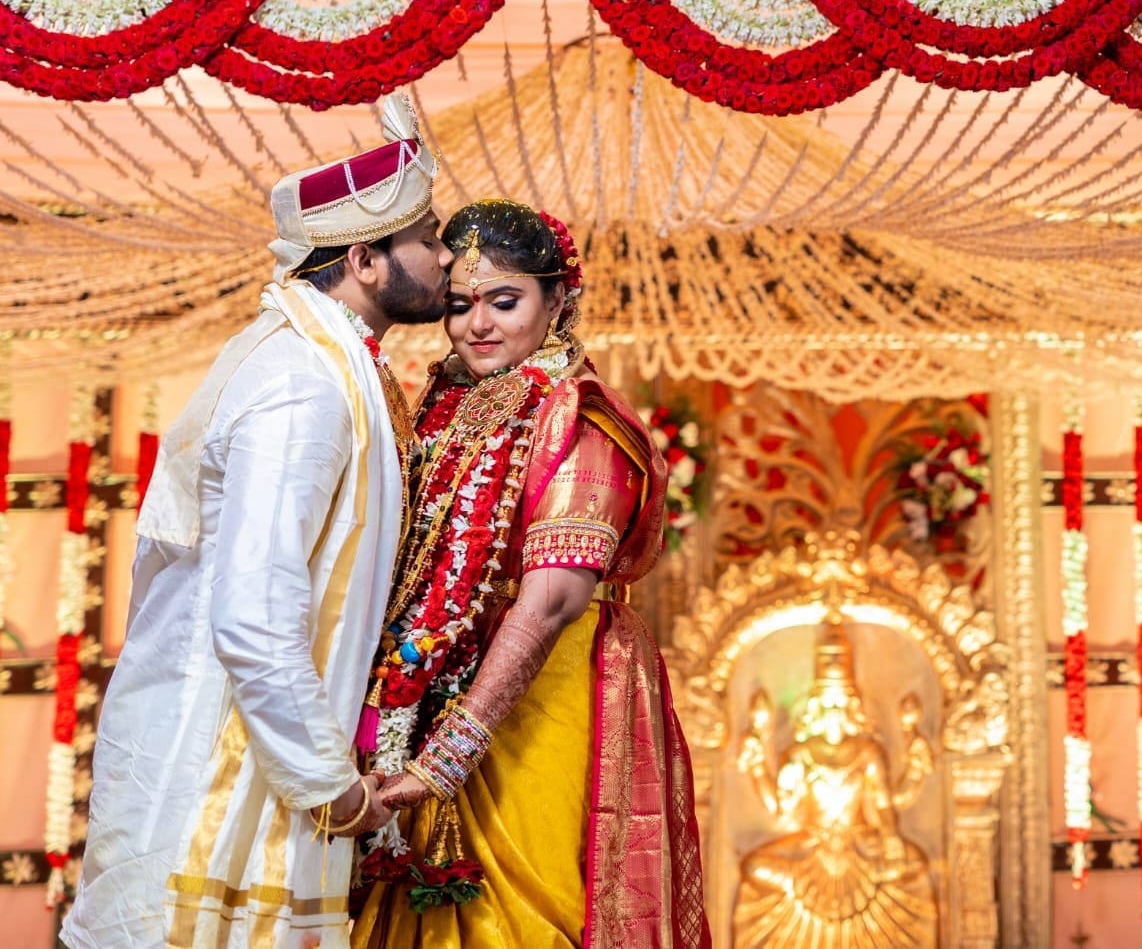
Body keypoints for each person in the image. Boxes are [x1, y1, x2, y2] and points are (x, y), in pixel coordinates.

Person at [63, 95, 453, 949]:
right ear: (365, 259)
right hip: (216, 773)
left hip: (262, 758)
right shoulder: (302, 386)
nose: (445, 254)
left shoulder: (330, 364)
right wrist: (333, 787)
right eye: (426, 236)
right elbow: (255, 611)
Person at [351, 199, 709, 949]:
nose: (478, 324)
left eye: (505, 301)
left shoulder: (581, 423)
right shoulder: (450, 406)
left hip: (551, 694)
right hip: (448, 682)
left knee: (523, 914)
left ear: (559, 301)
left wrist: (448, 756)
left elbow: (549, 603)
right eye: (459, 305)